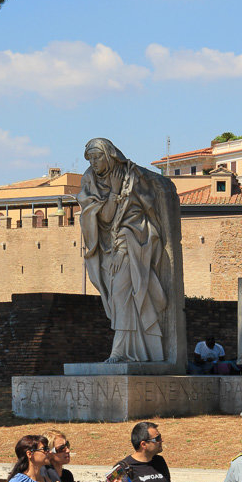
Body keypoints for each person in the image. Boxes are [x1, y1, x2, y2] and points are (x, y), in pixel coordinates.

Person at [78, 138, 167, 363]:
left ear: (109, 155)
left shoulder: (131, 177)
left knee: (121, 294)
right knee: (118, 298)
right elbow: (103, 217)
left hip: (132, 245)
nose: (94, 162)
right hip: (105, 250)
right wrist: (113, 193)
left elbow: (138, 216)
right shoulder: (90, 179)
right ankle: (140, 351)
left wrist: (122, 248)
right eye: (90, 158)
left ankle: (119, 351)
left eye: (98, 157)